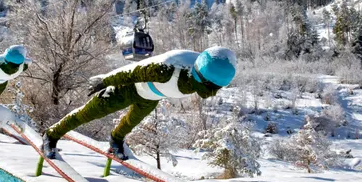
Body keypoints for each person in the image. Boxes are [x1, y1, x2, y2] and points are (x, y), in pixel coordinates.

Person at [42, 46, 237, 160]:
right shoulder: (167, 69)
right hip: (127, 89)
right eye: (211, 86)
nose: (212, 93)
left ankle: (116, 139)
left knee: (129, 123)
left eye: (217, 88)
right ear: (201, 78)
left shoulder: (202, 71)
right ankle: (51, 134)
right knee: (88, 113)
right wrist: (105, 80)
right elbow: (133, 71)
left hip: (150, 98)